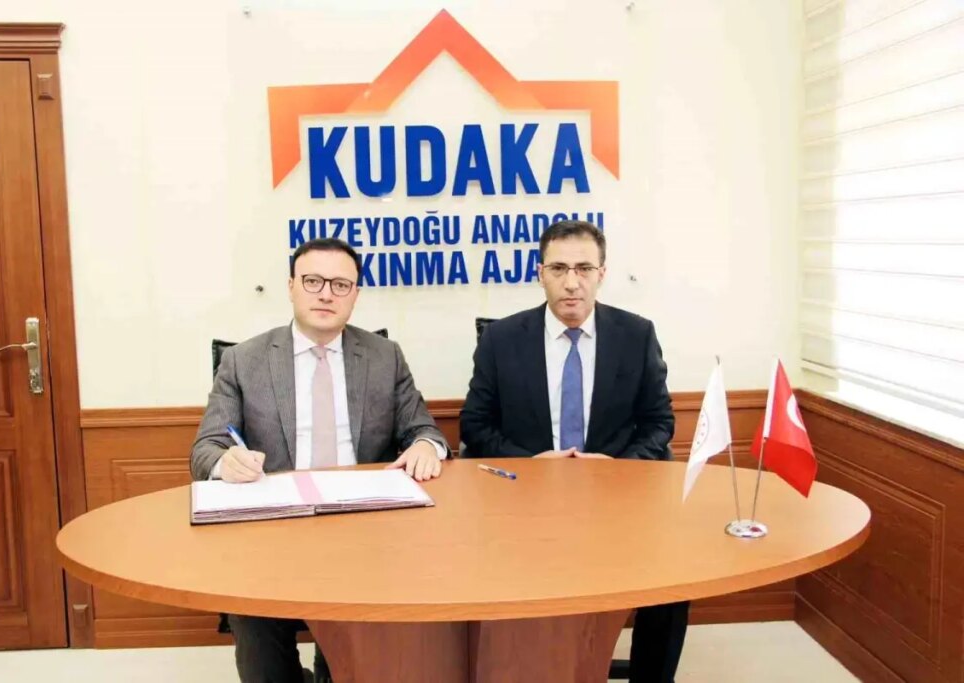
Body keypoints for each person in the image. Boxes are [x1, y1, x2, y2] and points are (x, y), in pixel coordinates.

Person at [191, 237, 448, 683]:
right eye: (313, 281)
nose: (326, 294)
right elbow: (206, 448)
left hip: (364, 528)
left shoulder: (384, 356)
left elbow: (422, 428)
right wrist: (225, 461)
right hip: (275, 528)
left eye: (340, 284)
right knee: (253, 614)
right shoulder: (244, 360)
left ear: (355, 294)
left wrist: (426, 445)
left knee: (361, 645)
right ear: (291, 286)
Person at [460, 219, 688, 683]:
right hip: (525, 507)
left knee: (673, 578)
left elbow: (658, 423)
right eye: (559, 269)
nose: (571, 282)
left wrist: (615, 467)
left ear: (602, 273)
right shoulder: (502, 339)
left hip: (617, 504)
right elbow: (475, 425)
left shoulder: (636, 334)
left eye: (584, 268)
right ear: (539, 273)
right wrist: (532, 463)